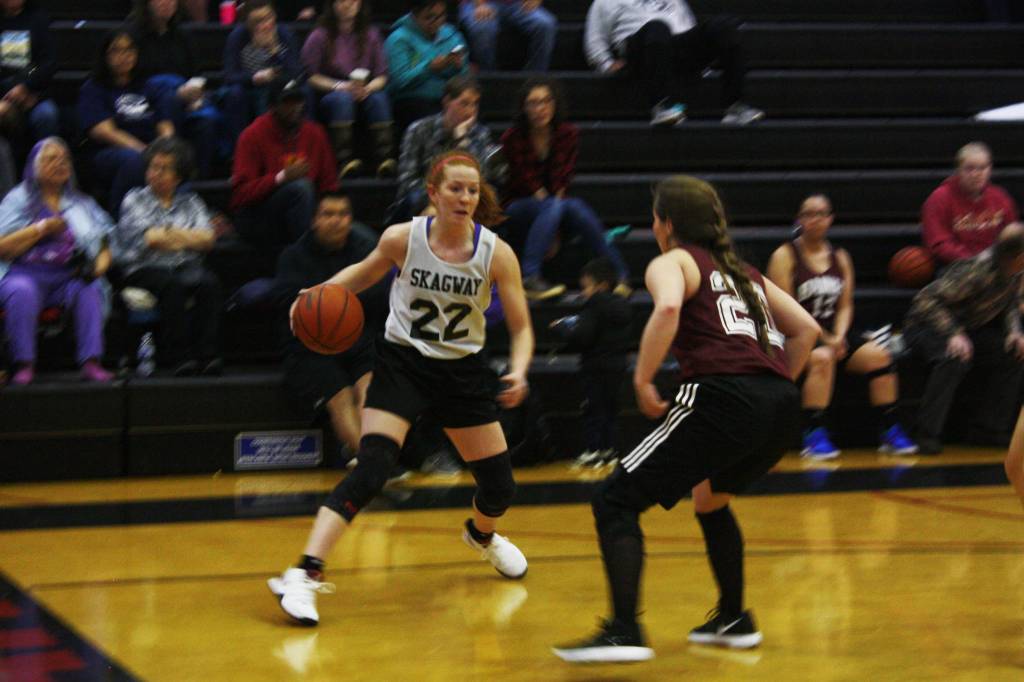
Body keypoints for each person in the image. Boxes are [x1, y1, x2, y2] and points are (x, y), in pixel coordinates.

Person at [552, 175, 819, 663]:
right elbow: (806, 329)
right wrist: (772, 388)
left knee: (614, 500)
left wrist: (643, 379)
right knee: (710, 500)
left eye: (655, 218)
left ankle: (624, 631)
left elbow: (670, 306)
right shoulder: (744, 272)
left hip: (723, 395)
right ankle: (734, 619)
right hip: (780, 403)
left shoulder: (673, 260)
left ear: (666, 223)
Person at [268, 150, 534, 626]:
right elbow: (360, 275)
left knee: (500, 486)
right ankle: (304, 573)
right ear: (433, 192)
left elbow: (521, 326)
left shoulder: (497, 253)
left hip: (462, 371)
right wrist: (315, 295)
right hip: (403, 364)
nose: (465, 197)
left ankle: (482, 535)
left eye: (473, 190)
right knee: (372, 467)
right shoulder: (402, 238)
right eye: (455, 188)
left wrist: (519, 369)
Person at [766, 194, 917, 459]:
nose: (816, 219)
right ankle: (813, 433)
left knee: (880, 356)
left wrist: (838, 335)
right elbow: (786, 309)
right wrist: (827, 339)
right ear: (800, 219)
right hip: (793, 335)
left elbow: (845, 305)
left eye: (821, 214)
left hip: (832, 333)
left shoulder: (841, 257)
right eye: (809, 214)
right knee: (823, 357)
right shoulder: (784, 255)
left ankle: (890, 428)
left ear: (830, 219)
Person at [276, 192, 389, 457]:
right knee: (341, 397)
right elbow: (288, 303)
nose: (336, 220)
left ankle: (374, 459)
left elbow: (380, 296)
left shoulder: (365, 251)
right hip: (310, 346)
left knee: (370, 393)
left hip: (359, 340)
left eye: (343, 214)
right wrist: (334, 304)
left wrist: (333, 302)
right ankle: (370, 461)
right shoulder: (293, 256)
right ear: (314, 220)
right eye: (328, 214)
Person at [0, 138, 116, 385]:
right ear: (34, 166)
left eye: (64, 159)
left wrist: (97, 269)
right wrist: (41, 229)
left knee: (89, 289)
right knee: (21, 291)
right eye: (51, 159)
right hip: (23, 272)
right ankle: (24, 364)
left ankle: (91, 362)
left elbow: (105, 241)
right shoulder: (17, 199)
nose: (60, 164)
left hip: (66, 274)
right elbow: (3, 246)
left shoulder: (81, 203)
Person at [501, 77, 629, 300]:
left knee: (576, 207)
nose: (540, 108)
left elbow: (562, 182)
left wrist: (553, 226)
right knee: (554, 205)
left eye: (546, 101)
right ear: (524, 107)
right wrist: (552, 228)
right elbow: (529, 183)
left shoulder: (567, 133)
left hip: (553, 208)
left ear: (555, 104)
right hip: (519, 207)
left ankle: (619, 275)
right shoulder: (512, 137)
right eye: (533, 103)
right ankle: (530, 276)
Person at [903, 222, 1024, 455]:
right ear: (1019, 256)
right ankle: (925, 433)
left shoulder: (1015, 271)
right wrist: (953, 332)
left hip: (967, 328)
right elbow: (925, 299)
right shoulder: (975, 271)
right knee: (954, 358)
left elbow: (1009, 301)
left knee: (1014, 354)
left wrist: (1014, 332)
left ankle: (988, 430)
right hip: (924, 326)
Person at [112, 136, 223, 377]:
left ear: (178, 176)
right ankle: (179, 356)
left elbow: (208, 239)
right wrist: (186, 237)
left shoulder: (191, 202)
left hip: (183, 265)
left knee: (209, 283)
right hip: (142, 267)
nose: (156, 173)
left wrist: (170, 234)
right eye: (153, 167)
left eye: (164, 169)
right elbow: (152, 239)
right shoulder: (135, 198)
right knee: (170, 284)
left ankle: (207, 355)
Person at [583, 0, 763, 126]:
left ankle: (735, 106)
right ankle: (662, 106)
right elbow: (594, 40)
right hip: (641, 50)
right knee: (657, 27)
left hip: (675, 47)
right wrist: (606, 64)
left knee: (724, 25)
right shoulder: (605, 2)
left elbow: (690, 27)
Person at [231, 77, 338, 272]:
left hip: (306, 216)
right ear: (272, 106)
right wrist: (280, 178)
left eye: (298, 101)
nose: (295, 108)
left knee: (360, 235)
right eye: (287, 102)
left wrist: (331, 219)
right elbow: (240, 195)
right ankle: (310, 266)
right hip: (259, 217)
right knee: (301, 188)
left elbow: (329, 185)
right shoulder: (252, 135)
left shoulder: (315, 133)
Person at [77, 30, 175, 216]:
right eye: (117, 50)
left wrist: (165, 149)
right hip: (109, 151)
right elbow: (104, 131)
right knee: (134, 160)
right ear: (105, 55)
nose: (124, 56)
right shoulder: (94, 87)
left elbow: (165, 125)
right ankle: (122, 217)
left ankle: (173, 214)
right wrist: (145, 152)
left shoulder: (150, 86)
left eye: (130, 50)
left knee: (175, 158)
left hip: (150, 148)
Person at [549, 257, 633, 467]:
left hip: (595, 367)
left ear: (601, 285)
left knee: (593, 409)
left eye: (586, 287)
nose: (583, 293)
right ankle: (610, 450)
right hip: (618, 365)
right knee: (611, 409)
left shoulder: (594, 304)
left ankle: (594, 450)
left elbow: (583, 336)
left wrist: (562, 328)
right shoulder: (623, 305)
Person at [301, 0, 395, 178]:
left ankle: (384, 158)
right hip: (331, 90)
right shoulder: (320, 35)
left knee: (379, 99)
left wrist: (367, 88)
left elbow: (382, 76)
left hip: (364, 88)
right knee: (342, 99)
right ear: (333, 5)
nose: (348, 5)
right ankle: (343, 160)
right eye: (342, 1)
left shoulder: (371, 34)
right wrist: (341, 86)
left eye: (353, 1)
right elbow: (311, 76)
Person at [128, 0, 221, 177]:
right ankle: (170, 171)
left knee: (206, 122)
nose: (167, 3)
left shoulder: (183, 35)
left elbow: (197, 74)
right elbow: (132, 79)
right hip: (148, 102)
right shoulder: (134, 35)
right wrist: (175, 93)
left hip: (185, 98)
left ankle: (198, 178)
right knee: (169, 100)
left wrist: (195, 93)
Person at [392, 75, 501, 223]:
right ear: (447, 101)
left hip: (462, 198)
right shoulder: (419, 129)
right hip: (423, 199)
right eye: (464, 103)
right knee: (418, 200)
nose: (470, 111)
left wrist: (462, 141)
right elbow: (407, 180)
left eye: (474, 104)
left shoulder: (480, 133)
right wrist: (442, 197)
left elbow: (481, 179)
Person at [921, 142, 1019, 267]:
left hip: (997, 265)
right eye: (969, 168)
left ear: (990, 169)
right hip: (956, 267)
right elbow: (938, 244)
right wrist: (973, 259)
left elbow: (1012, 237)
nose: (976, 174)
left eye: (982, 168)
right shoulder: (939, 199)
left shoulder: (1000, 197)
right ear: (958, 170)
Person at [223, 0, 305, 147]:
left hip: (280, 85)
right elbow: (230, 75)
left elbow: (296, 71)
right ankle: (240, 147)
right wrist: (253, 78)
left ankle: (300, 143)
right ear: (247, 23)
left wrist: (274, 50)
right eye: (257, 21)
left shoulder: (284, 34)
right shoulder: (238, 37)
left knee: (304, 90)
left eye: (268, 18)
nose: (265, 25)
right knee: (234, 93)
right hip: (249, 88)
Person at [384, 0, 469, 131]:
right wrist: (430, 67)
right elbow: (399, 81)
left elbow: (465, 74)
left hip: (447, 98)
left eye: (441, 16)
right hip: (413, 100)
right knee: (431, 120)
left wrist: (458, 68)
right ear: (414, 15)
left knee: (469, 113)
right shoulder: (398, 38)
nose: (437, 22)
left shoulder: (452, 35)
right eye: (430, 17)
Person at [0, 0, 59, 148]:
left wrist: (26, 87)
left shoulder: (38, 19)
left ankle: (45, 160)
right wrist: (7, 97)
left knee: (46, 115)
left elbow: (49, 63)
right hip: (3, 95)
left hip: (33, 94)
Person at [458, 0, 557, 71]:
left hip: (517, 4)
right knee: (482, 28)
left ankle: (535, 79)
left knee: (545, 24)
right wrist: (479, 4)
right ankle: (488, 80)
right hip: (479, 3)